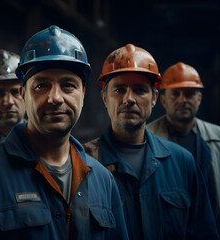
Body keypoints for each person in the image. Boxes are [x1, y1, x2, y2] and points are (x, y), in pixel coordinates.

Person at [0, 25, 128, 240]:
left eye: (68, 85)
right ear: (24, 95)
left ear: (83, 94)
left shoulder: (103, 180)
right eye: (41, 86)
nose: (56, 98)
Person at [83, 44, 218, 239]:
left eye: (139, 90)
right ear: (105, 98)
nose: (129, 99)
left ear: (155, 98)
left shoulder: (182, 162)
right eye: (119, 89)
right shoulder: (83, 162)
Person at [147, 62, 220, 231]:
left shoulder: (217, 137)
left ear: (199, 98)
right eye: (175, 94)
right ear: (163, 100)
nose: (182, 100)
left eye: (189, 94)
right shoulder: (145, 138)